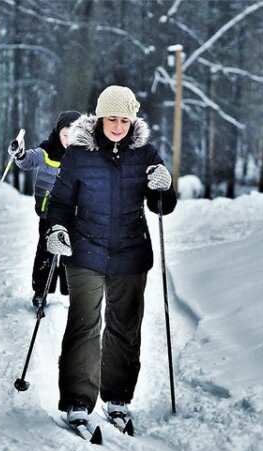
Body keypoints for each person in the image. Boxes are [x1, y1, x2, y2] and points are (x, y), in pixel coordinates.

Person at [44, 85, 177, 425]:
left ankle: (117, 398)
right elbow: (59, 203)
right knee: (84, 324)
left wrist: (164, 187)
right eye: (112, 119)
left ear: (132, 120)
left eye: (124, 119)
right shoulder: (78, 153)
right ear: (100, 117)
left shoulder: (146, 153)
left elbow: (161, 206)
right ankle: (77, 400)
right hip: (85, 248)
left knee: (125, 327)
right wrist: (56, 229)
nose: (118, 126)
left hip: (131, 252)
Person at [8, 110, 81, 307]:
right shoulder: (48, 150)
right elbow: (29, 160)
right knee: (46, 249)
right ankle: (41, 290)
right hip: (48, 210)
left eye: (73, 135)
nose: (68, 140)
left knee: (72, 249)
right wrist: (20, 154)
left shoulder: (84, 155)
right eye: (65, 135)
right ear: (58, 133)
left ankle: (72, 290)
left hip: (73, 211)